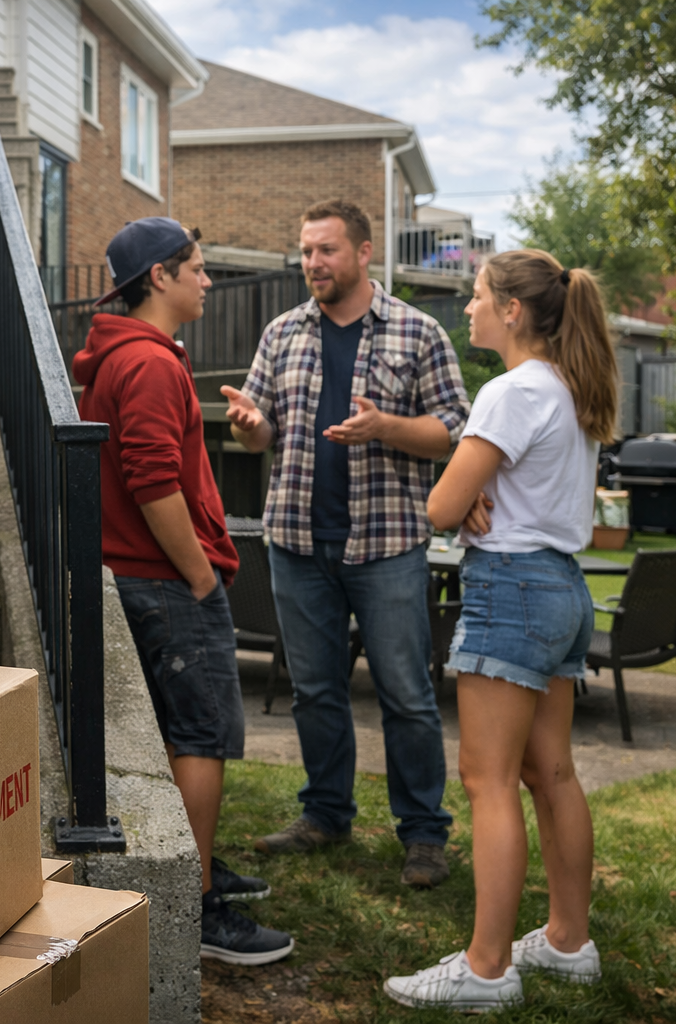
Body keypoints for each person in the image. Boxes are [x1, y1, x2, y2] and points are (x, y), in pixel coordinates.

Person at [385, 251, 615, 1011]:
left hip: (511, 589)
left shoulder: (510, 391)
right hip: (562, 588)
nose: (469, 309)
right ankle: (568, 942)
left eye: (478, 296)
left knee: (488, 781)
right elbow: (495, 488)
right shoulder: (567, 385)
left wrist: (466, 488)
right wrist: (477, 485)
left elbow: (441, 509)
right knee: (553, 774)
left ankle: (486, 969)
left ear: (512, 310)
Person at [221, 199, 469, 887]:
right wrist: (248, 425)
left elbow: (451, 429)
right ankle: (326, 814)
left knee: (406, 694)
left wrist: (386, 426)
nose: (313, 263)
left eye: (326, 250)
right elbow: (260, 430)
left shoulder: (417, 332)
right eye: (306, 251)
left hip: (387, 545)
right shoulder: (281, 333)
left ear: (363, 252)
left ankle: (423, 833)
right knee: (315, 691)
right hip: (298, 542)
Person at [74, 217, 294, 965]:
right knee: (204, 734)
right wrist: (200, 575)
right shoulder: (147, 363)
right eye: (197, 268)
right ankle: (196, 911)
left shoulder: (132, 355)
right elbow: (151, 480)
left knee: (180, 732)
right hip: (166, 581)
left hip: (143, 576)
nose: (208, 280)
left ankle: (192, 867)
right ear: (160, 277)